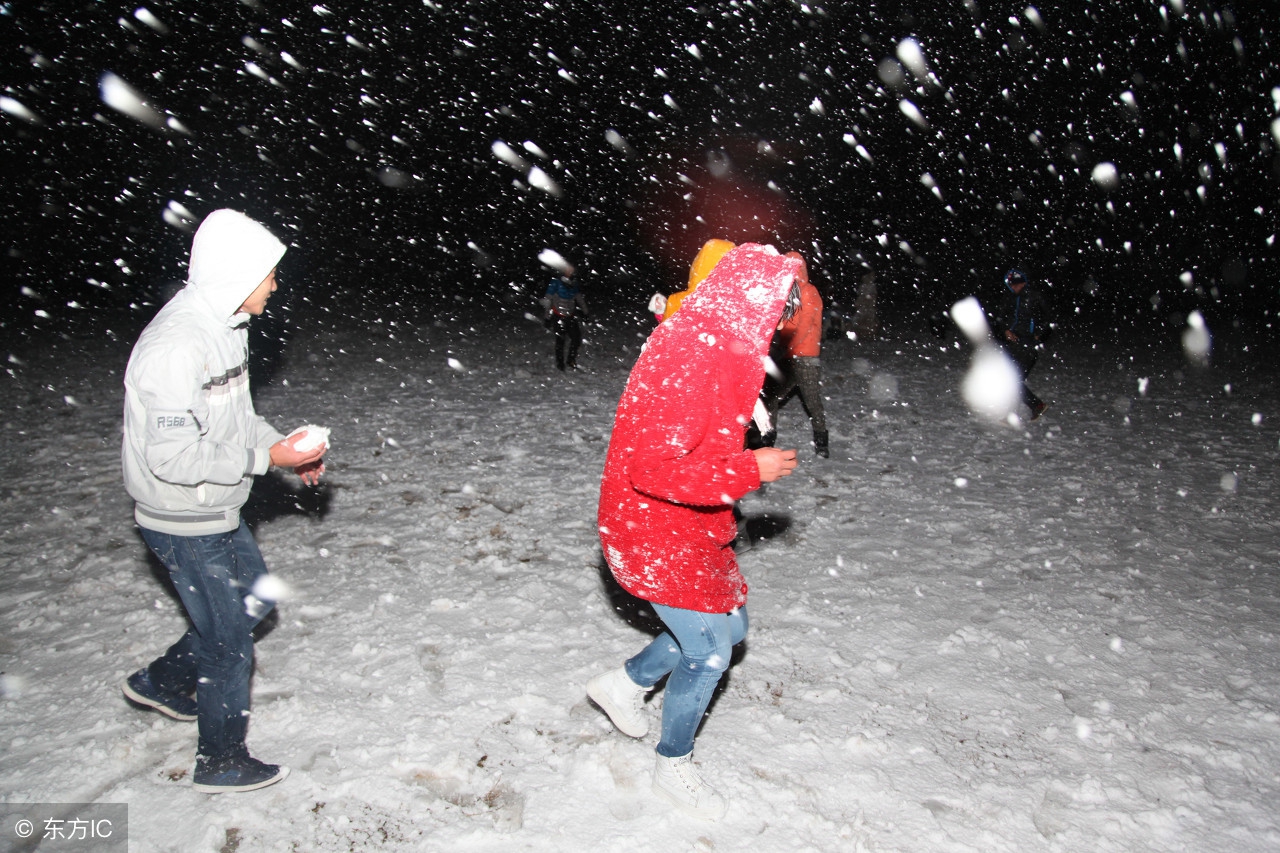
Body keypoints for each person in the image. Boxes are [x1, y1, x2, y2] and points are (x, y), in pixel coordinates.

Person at [589, 244, 802, 820]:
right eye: (780, 308)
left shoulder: (717, 342)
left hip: (689, 524)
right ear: (750, 303)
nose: (783, 323)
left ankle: (625, 684)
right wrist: (749, 469)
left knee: (732, 627)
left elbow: (696, 441)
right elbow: (653, 469)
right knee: (709, 654)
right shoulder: (694, 355)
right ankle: (672, 763)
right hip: (651, 529)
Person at [120, 209, 327, 794]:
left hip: (217, 510)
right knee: (229, 644)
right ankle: (221, 760)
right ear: (235, 276)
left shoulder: (226, 327)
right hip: (182, 519)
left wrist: (281, 447)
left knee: (256, 603)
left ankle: (160, 682)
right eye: (268, 275)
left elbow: (238, 419)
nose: (275, 286)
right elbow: (173, 459)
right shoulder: (176, 347)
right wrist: (268, 462)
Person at [759, 251, 828, 457]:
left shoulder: (809, 292)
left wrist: (785, 348)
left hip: (805, 358)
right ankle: (767, 441)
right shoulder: (789, 294)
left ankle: (822, 443)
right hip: (789, 357)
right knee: (770, 398)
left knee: (812, 401)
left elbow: (804, 326)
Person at [990, 267, 1052, 420]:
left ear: (1024, 282)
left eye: (1017, 284)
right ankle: (1016, 412)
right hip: (1013, 344)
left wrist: (1038, 334)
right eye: (1011, 285)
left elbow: (1047, 318)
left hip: (1027, 345)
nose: (1014, 287)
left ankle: (1035, 405)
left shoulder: (1035, 297)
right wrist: (1005, 331)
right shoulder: (1010, 298)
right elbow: (1001, 318)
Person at [659, 238, 735, 322]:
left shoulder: (678, 302)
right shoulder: (736, 305)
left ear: (699, 263)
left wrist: (661, 315)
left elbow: (666, 331)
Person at [541, 270, 587, 370]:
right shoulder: (556, 283)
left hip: (570, 316)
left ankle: (571, 360)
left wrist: (585, 312)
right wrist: (547, 317)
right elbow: (548, 301)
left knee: (576, 338)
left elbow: (579, 299)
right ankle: (560, 363)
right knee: (560, 340)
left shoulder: (574, 284)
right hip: (558, 316)